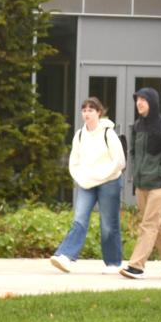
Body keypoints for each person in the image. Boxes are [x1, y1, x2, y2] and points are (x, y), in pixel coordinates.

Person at [51, 96, 126, 273]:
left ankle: (114, 263)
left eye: (91, 110)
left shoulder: (109, 133)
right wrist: (81, 178)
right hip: (86, 184)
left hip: (109, 183)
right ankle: (66, 256)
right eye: (84, 110)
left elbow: (119, 161)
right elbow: (74, 161)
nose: (87, 114)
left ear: (99, 113)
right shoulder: (79, 135)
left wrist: (102, 175)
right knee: (79, 219)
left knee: (109, 224)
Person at [119, 89, 161, 279]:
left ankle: (136, 266)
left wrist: (157, 172)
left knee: (148, 224)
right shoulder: (137, 126)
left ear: (153, 103)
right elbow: (132, 152)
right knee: (156, 223)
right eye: (137, 99)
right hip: (142, 184)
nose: (139, 103)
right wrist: (135, 173)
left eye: (143, 100)